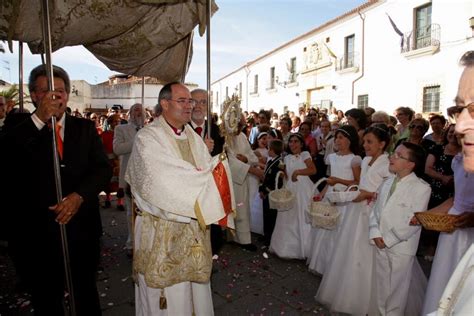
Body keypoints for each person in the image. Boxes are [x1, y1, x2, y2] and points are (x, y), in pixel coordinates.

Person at [0, 64, 112, 315]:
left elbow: (102, 170)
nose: (54, 96)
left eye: (60, 91)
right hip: (37, 234)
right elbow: (7, 160)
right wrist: (39, 119)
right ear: (33, 95)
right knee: (46, 298)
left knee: (85, 294)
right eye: (46, 91)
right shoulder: (18, 128)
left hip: (82, 228)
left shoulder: (83, 128)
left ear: (68, 95)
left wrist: (79, 196)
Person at [125, 82, 234, 315]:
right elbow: (161, 180)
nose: (189, 106)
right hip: (161, 229)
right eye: (182, 101)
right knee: (169, 296)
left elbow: (206, 173)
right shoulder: (148, 138)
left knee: (195, 293)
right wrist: (208, 180)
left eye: (190, 101)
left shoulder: (194, 138)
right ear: (164, 104)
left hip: (194, 231)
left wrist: (218, 171)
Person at [316, 124, 391, 315]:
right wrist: (355, 194)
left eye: (370, 142)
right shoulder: (365, 160)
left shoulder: (386, 163)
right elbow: (361, 184)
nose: (365, 145)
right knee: (350, 249)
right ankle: (350, 292)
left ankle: (372, 297)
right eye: (364, 141)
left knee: (369, 252)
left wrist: (367, 194)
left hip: (374, 211)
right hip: (357, 209)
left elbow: (387, 190)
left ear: (382, 144)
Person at [369, 142, 431, 316]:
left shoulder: (421, 188)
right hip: (380, 241)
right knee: (381, 286)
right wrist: (375, 233)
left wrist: (388, 239)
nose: (392, 157)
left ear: (410, 164)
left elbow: (413, 221)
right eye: (393, 153)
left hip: (401, 246)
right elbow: (375, 210)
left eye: (398, 155)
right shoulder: (386, 183)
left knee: (397, 289)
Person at [307, 125, 361, 275]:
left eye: (341, 137)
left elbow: (357, 182)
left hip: (344, 196)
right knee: (326, 226)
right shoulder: (332, 157)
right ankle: (323, 264)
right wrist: (322, 193)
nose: (337, 140)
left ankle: (336, 268)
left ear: (350, 140)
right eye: (336, 137)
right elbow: (329, 179)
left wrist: (338, 180)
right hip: (331, 194)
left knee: (339, 228)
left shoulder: (354, 159)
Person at [189, 88, 226, 255]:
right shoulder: (180, 128)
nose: (198, 106)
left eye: (203, 102)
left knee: (212, 238)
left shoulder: (218, 131)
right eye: (194, 102)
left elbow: (222, 159)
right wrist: (202, 150)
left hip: (211, 190)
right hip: (189, 192)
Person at [270, 133, 316, 259]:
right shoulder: (287, 157)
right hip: (290, 188)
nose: (293, 144)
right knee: (287, 216)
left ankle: (305, 248)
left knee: (301, 215)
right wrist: (282, 173)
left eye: (296, 141)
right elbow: (287, 174)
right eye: (291, 142)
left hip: (302, 188)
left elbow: (313, 170)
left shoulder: (305, 155)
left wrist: (298, 172)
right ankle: (285, 248)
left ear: (301, 144)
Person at [113, 103, 145, 256]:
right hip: (129, 177)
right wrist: (137, 141)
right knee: (131, 212)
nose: (139, 113)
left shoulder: (150, 130)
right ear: (130, 113)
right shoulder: (121, 129)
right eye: (136, 110)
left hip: (146, 178)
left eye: (141, 110)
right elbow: (117, 149)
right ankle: (131, 243)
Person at [227, 114, 262, 252]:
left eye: (243, 125)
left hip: (241, 179)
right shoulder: (225, 137)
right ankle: (230, 236)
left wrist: (246, 160)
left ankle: (243, 239)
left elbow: (250, 154)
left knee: (242, 207)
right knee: (233, 208)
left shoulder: (241, 136)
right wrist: (252, 170)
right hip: (232, 178)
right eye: (239, 125)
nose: (241, 128)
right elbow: (229, 160)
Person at [259, 139, 284, 246]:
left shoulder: (279, 163)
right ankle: (266, 235)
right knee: (265, 215)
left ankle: (269, 238)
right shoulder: (270, 161)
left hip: (272, 194)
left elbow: (277, 181)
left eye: (268, 149)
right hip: (265, 193)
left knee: (271, 217)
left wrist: (266, 191)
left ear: (272, 150)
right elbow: (264, 177)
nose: (267, 151)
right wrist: (261, 189)